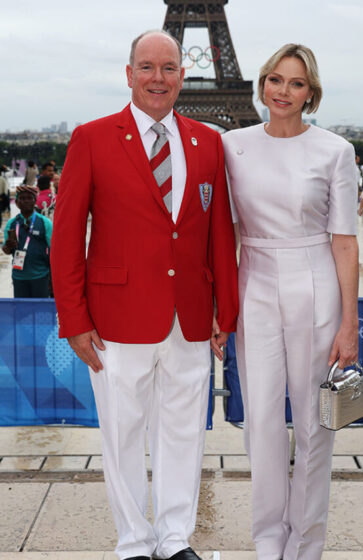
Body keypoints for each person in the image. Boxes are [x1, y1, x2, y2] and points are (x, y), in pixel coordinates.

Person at [50, 30, 238, 560]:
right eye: (148, 67)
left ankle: (175, 538)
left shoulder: (208, 141)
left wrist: (228, 308)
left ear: (184, 75)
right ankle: (134, 542)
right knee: (123, 434)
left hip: (192, 316)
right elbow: (67, 236)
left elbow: (218, 232)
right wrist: (74, 318)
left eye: (169, 68)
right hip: (115, 316)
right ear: (128, 73)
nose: (159, 78)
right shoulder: (91, 137)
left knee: (184, 433)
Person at [223, 43, 359, 560]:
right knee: (259, 420)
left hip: (315, 281)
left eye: (296, 83)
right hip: (253, 279)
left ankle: (305, 546)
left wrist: (350, 322)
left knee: (315, 424)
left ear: (311, 94)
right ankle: (267, 542)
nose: (283, 91)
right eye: (275, 80)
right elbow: (224, 231)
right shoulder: (232, 144)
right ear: (260, 84)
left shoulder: (334, 150)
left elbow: (344, 240)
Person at [2, 185, 52, 298]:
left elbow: (54, 251)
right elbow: (6, 250)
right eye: (22, 198)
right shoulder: (12, 223)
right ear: (16, 202)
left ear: (35, 201)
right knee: (22, 313)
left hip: (41, 276)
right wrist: (8, 247)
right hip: (19, 278)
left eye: (29, 198)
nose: (26, 201)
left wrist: (52, 278)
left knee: (40, 313)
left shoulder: (45, 223)